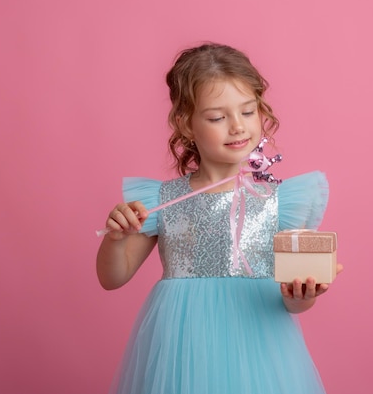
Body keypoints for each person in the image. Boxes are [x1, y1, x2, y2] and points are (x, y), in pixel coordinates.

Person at [97, 42, 341, 394]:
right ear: (185, 123)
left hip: (261, 350)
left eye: (247, 111)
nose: (237, 127)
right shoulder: (162, 200)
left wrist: (302, 295)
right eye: (216, 117)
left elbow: (293, 300)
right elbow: (112, 278)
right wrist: (115, 238)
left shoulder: (279, 201)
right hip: (182, 353)